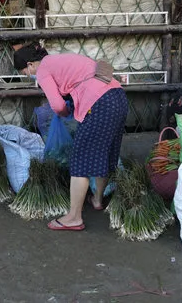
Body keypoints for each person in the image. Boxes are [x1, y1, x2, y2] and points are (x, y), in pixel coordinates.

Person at [13, 43, 128, 231]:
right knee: (105, 153)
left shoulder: (43, 70)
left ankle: (74, 217)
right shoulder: (63, 59)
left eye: (25, 71)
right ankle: (98, 199)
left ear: (31, 64)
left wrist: (65, 114)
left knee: (79, 160)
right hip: (118, 98)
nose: (28, 75)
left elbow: (57, 105)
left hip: (99, 104)